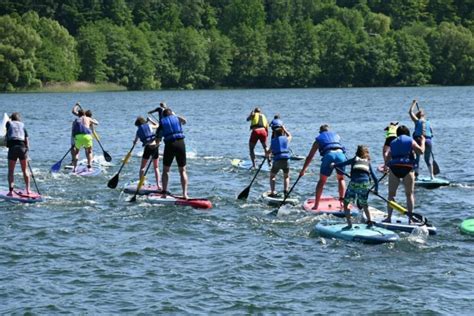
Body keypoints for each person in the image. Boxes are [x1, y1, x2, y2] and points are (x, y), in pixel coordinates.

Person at [299, 124, 347, 210]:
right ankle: (342, 203)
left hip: (329, 156)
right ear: (329, 131)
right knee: (341, 179)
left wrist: (303, 170)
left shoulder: (318, 140)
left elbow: (310, 156)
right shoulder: (336, 136)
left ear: (320, 132)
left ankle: (316, 205)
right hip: (341, 156)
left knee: (322, 181)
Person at [384, 125, 425, 223]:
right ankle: (410, 219)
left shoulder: (393, 142)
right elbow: (421, 151)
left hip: (394, 169)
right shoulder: (410, 140)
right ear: (407, 133)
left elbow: (387, 159)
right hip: (407, 169)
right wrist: (423, 142)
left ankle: (389, 218)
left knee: (391, 195)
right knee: (409, 194)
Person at [331, 145, 379, 229]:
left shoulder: (354, 159)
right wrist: (376, 190)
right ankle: (370, 221)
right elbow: (375, 179)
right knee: (364, 204)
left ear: (357, 152)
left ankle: (349, 224)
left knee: (346, 203)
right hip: (365, 184)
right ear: (366, 154)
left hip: (354, 183)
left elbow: (342, 164)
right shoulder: (368, 162)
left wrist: (334, 165)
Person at [160, 108, 188, 199]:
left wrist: (156, 142)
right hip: (181, 144)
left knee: (166, 170)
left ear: (163, 115)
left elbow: (158, 137)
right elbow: (185, 121)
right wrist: (175, 115)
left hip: (170, 145)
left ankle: (164, 194)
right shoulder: (177, 118)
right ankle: (185, 194)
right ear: (171, 114)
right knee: (182, 170)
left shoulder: (162, 122)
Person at [5, 112, 30, 195]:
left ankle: (11, 191)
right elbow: (27, 140)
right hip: (23, 148)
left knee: (11, 171)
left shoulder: (9, 123)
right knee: (25, 170)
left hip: (13, 148)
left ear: (12, 118)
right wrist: (27, 152)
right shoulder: (23, 125)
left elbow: (7, 125)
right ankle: (28, 190)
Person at [133, 116, 161, 191]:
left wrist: (134, 142)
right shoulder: (149, 125)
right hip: (155, 146)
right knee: (156, 167)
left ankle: (141, 183)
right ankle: (159, 185)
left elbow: (135, 142)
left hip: (147, 147)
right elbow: (158, 125)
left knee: (142, 168)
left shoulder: (138, 131)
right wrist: (151, 120)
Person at [409, 100, 434, 179]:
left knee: (417, 159)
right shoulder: (428, 122)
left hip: (419, 140)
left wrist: (413, 103)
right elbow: (432, 133)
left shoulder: (417, 121)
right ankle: (432, 176)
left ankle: (416, 176)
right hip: (428, 141)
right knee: (427, 160)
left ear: (417, 116)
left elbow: (410, 112)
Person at [266, 128, 292, 197]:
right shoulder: (286, 139)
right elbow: (290, 135)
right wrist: (284, 129)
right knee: (286, 176)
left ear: (275, 134)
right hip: (286, 160)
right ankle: (286, 191)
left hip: (277, 160)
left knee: (272, 176)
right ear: (282, 133)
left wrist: (267, 153)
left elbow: (269, 152)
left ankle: (272, 192)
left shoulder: (273, 141)